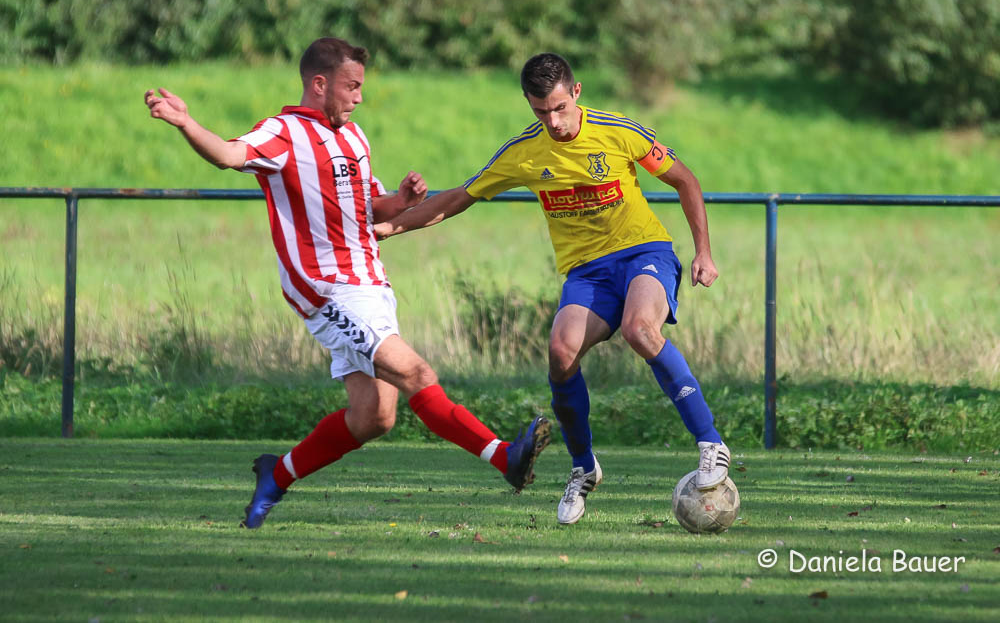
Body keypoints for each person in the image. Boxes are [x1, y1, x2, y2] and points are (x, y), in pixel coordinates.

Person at [144, 37, 550, 529]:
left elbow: (370, 206)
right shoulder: (284, 133)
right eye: (351, 86)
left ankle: (277, 474)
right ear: (320, 84)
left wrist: (400, 198)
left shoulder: (354, 138)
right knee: (417, 373)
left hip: (372, 286)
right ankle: (504, 456)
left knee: (374, 416)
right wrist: (186, 122)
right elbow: (230, 156)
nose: (358, 96)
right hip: (327, 290)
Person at [375, 53, 729, 525]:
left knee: (640, 329)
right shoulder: (524, 151)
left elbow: (685, 180)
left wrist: (703, 251)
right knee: (561, 354)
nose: (553, 121)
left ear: (576, 92)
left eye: (560, 107)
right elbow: (459, 197)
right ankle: (584, 468)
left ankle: (711, 445)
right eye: (541, 111)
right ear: (528, 103)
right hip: (586, 272)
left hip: (644, 251)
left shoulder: (619, 131)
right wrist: (392, 228)